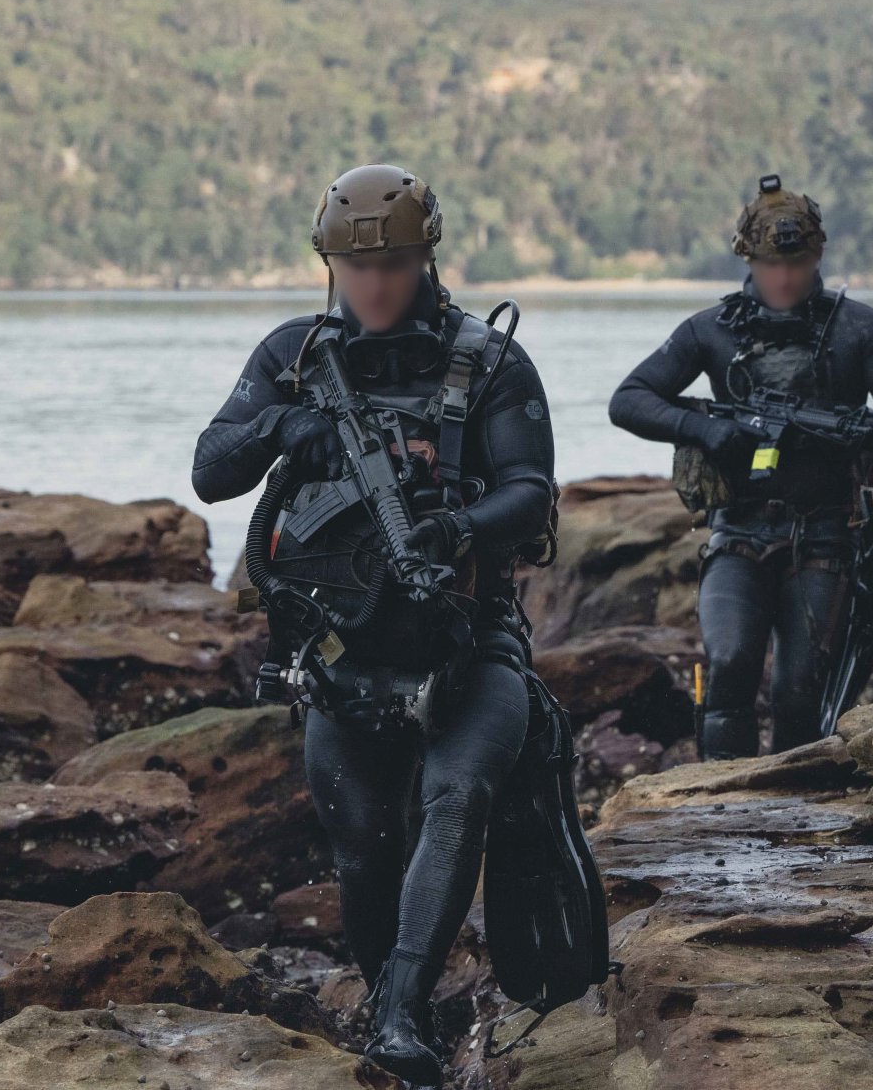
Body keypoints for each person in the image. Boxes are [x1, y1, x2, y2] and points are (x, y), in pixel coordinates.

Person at [190, 164, 557, 1086]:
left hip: (472, 649)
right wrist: (283, 428)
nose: (375, 283)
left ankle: (397, 1017)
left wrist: (457, 526)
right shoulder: (293, 354)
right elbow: (210, 468)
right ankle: (397, 997)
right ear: (329, 267)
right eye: (355, 266)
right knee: (362, 845)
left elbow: (532, 493)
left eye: (393, 262)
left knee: (456, 796)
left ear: (426, 257)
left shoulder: (493, 361)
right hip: (341, 658)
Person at [608, 175, 873, 760]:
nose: (783, 277)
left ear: (818, 258)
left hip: (826, 538)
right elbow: (629, 400)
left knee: (798, 690)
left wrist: (866, 431)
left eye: (798, 263)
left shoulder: (859, 329)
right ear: (748, 259)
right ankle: (717, 810)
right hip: (736, 535)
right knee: (729, 666)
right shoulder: (710, 331)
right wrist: (706, 429)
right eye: (770, 263)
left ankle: (797, 824)